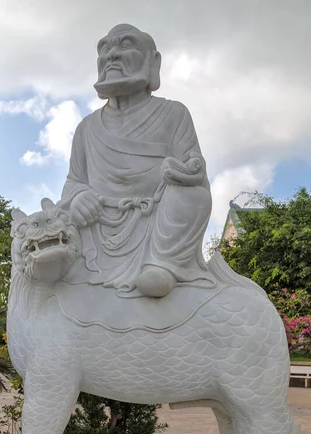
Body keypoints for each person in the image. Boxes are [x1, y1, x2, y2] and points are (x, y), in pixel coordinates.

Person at [59, 24, 212, 297]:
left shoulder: (173, 113)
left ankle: (163, 266)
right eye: (105, 48)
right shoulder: (87, 128)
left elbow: (194, 168)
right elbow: (73, 181)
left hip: (158, 221)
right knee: (44, 224)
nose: (112, 55)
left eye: (125, 45)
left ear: (153, 62)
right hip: (100, 223)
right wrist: (79, 197)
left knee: (195, 196)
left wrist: (186, 172)